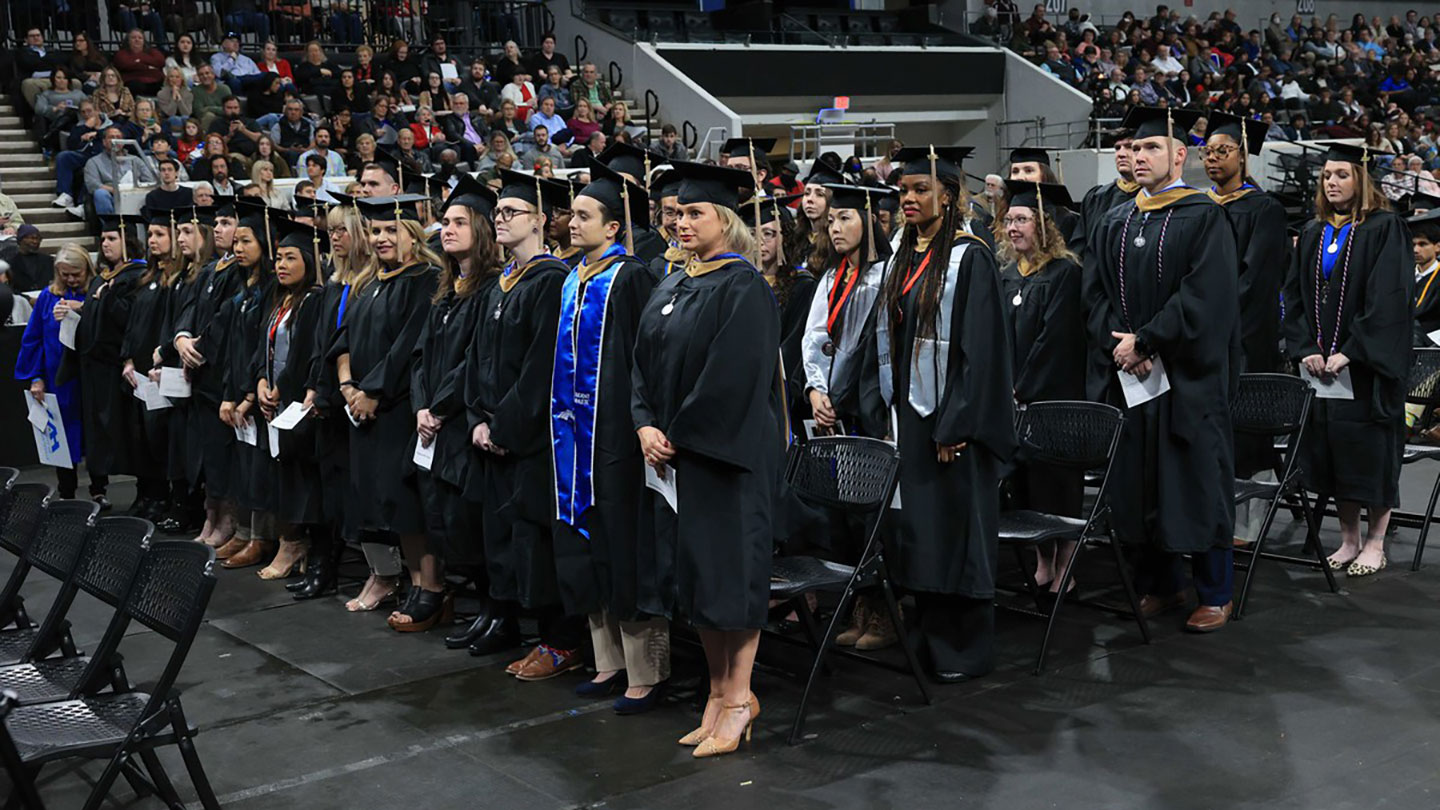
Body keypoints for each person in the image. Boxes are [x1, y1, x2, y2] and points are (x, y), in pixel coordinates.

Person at [631, 161, 783, 756]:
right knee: (697, 580)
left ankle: (741, 696)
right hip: (676, 457)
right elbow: (638, 363)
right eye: (678, 213)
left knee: (730, 578)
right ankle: (717, 695)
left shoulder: (743, 285)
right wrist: (643, 424)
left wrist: (678, 435)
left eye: (696, 213)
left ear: (726, 219)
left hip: (726, 456)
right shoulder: (674, 282)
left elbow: (732, 379)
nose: (683, 222)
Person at [1082, 107, 1240, 633]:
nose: (1141, 156)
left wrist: (1148, 339)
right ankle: (1161, 582)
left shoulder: (1204, 216)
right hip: (1134, 379)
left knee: (1194, 481)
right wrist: (1125, 346)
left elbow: (1205, 297)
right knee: (1142, 483)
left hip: (1188, 380)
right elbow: (1096, 295)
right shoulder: (1114, 221)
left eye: (1154, 148)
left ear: (1178, 156)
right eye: (1135, 148)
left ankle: (1215, 592)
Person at [860, 146, 1014, 680]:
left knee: (956, 530)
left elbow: (984, 352)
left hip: (952, 424)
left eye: (920, 189)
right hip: (909, 418)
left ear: (948, 196)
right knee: (920, 532)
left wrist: (958, 421)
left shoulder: (969, 259)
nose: (908, 198)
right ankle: (926, 638)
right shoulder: (905, 256)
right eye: (903, 190)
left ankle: (962, 649)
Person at [552, 164, 667, 711]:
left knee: (626, 547)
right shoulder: (573, 275)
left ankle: (646, 670)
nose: (571, 223)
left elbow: (646, 360)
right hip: (575, 435)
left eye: (583, 215)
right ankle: (607, 662)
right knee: (589, 541)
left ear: (614, 227)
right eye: (571, 214)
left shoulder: (631, 276)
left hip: (618, 436)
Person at [461, 170, 576, 670]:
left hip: (530, 441)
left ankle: (560, 642)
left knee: (538, 541)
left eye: (512, 212)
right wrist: (477, 420)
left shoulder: (550, 283)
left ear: (541, 222)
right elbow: (476, 359)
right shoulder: (499, 285)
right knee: (505, 538)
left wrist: (505, 427)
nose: (500, 219)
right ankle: (520, 626)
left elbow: (540, 368)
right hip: (493, 435)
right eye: (499, 212)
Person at [1283, 143, 1411, 578]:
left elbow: (1388, 301)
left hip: (1366, 369)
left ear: (1362, 179)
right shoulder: (1316, 232)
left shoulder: (1385, 228)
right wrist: (1306, 348)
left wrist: (1351, 352)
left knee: (1370, 453)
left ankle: (1375, 541)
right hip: (1323, 370)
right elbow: (1294, 297)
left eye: (1341, 174)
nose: (1331, 182)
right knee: (1333, 453)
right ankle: (1349, 538)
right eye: (1326, 176)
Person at [333, 195, 443, 625]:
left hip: (398, 410)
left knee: (410, 504)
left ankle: (428, 586)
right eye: (376, 231)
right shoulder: (367, 282)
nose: (380, 238)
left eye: (390, 230)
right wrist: (347, 385)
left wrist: (373, 392)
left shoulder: (425, 280)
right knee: (387, 506)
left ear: (412, 236)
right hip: (363, 409)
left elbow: (407, 348)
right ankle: (411, 583)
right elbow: (340, 340)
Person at [414, 177, 502, 646]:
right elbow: (420, 358)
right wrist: (420, 405)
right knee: (448, 522)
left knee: (475, 523)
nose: (447, 230)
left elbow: (474, 359)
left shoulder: (490, 290)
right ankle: (483, 610)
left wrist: (439, 406)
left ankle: (495, 610)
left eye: (459, 222)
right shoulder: (445, 291)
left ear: (482, 230)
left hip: (463, 422)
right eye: (445, 222)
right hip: (435, 426)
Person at [1203, 112, 1291, 545]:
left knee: (1246, 427)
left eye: (1223, 150)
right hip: (1204, 338)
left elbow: (1256, 281)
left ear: (1244, 154)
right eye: (1207, 152)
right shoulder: (1200, 206)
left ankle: (1247, 524)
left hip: (1246, 338)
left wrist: (1213, 319)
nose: (1213, 159)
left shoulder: (1265, 209)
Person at [997, 179, 1086, 593]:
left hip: (1054, 402)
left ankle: (1067, 560)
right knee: (1027, 484)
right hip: (1015, 403)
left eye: (1022, 219)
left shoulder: (1064, 273)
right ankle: (1041, 560)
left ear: (1045, 225)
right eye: (1009, 219)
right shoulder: (1006, 276)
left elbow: (1056, 340)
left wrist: (1021, 388)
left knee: (1057, 483)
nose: (1013, 227)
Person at [254, 217, 329, 580]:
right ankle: (292, 541)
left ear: (309, 261)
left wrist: (280, 387)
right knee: (282, 474)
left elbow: (304, 354)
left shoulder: (313, 301)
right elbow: (262, 348)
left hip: (299, 405)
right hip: (275, 402)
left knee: (302, 476)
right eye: (279, 258)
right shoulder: (280, 300)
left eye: (290, 258)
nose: (281, 265)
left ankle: (297, 542)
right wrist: (260, 383)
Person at [174, 199, 244, 551]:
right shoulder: (211, 269)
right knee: (203, 449)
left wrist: (197, 348)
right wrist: (181, 337)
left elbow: (224, 323)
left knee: (220, 452)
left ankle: (226, 516)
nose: (217, 229)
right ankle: (210, 512)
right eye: (215, 223)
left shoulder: (240, 273)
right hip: (200, 377)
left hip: (219, 374)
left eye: (226, 222)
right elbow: (188, 308)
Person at [75, 214, 149, 511]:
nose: (105, 244)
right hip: (95, 370)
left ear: (128, 242)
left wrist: (106, 298)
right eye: (103, 239)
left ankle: (145, 492)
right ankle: (98, 489)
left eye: (111, 239)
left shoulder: (136, 277)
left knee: (130, 433)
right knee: (99, 433)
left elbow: (129, 319)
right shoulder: (103, 276)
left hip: (120, 369)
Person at [15, 244, 93, 499]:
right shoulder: (48, 297)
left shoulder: (95, 293)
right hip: (57, 378)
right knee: (61, 434)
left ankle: (99, 489)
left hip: (90, 377)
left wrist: (82, 309)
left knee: (94, 433)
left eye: (76, 274)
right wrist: (35, 378)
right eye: (65, 274)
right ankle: (67, 491)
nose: (70, 279)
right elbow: (33, 339)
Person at [120, 207, 183, 522]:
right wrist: (128, 359)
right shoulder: (147, 278)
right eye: (152, 235)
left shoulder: (176, 281)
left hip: (161, 370)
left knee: (160, 436)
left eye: (160, 234)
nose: (154, 240)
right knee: (140, 436)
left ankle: (163, 497)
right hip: (139, 372)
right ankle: (146, 492)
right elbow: (133, 323)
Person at [1074, 130, 1138, 259]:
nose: (1121, 154)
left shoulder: (1154, 198)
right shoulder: (1096, 198)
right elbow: (1080, 249)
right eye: (1117, 148)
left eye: (1129, 147)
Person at [86, 127, 158, 215]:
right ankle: (111, 226)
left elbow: (150, 180)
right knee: (100, 194)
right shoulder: (93, 162)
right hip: (111, 194)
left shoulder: (135, 160)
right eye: (111, 137)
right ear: (104, 142)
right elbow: (92, 185)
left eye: (118, 137)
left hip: (135, 193)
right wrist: (116, 190)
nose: (115, 140)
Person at [113, 28, 166, 97]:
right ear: (128, 41)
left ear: (144, 41)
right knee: (134, 86)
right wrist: (147, 66)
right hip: (133, 83)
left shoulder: (152, 51)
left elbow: (161, 61)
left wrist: (138, 60)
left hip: (155, 82)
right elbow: (124, 64)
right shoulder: (122, 53)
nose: (137, 40)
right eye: (133, 38)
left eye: (140, 38)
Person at [4, 226, 52, 293]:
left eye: (38, 239)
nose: (35, 241)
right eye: (32, 238)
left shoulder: (48, 260)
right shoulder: (10, 263)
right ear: (20, 239)